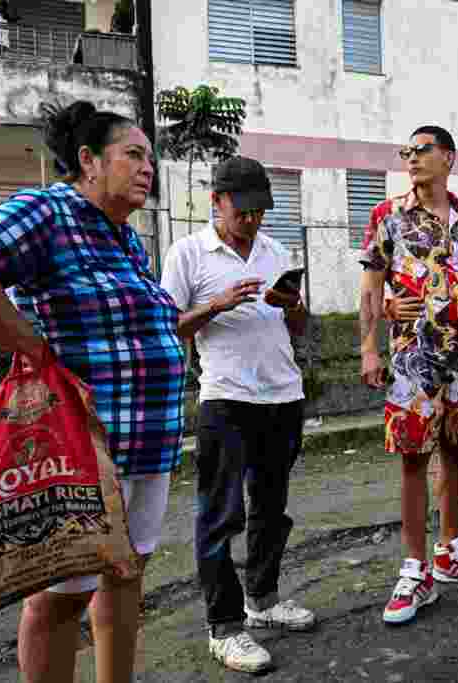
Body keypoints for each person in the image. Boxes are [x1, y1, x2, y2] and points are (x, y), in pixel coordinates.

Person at [0, 100, 185, 683]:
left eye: (151, 159)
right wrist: (31, 345)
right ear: (88, 161)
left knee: (125, 574)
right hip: (83, 445)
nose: (147, 168)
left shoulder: (125, 240)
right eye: (134, 154)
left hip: (147, 440)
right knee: (63, 595)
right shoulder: (49, 212)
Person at [160, 156, 314, 674]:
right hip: (226, 399)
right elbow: (171, 326)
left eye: (259, 211)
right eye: (242, 210)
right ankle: (225, 626)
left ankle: (263, 601)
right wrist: (218, 304)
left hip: (283, 395)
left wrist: (292, 307)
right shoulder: (188, 254)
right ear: (217, 202)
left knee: (272, 508)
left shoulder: (275, 251)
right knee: (221, 514)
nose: (252, 220)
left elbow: (299, 329)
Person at [359, 125, 458, 627]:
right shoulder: (388, 215)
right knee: (412, 461)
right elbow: (372, 287)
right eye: (407, 151)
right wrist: (368, 346)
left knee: (457, 453)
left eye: (422, 150)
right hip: (409, 360)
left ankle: (450, 552)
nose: (412, 158)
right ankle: (414, 568)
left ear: (448, 157)